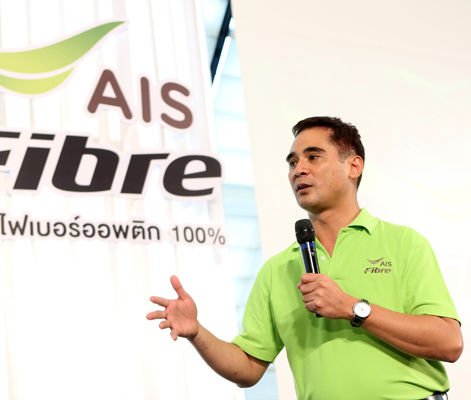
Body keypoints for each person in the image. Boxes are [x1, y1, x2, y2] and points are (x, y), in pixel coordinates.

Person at [146, 117, 463, 400]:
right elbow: (248, 367)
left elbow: (449, 343)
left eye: (313, 157)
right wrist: (197, 332)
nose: (298, 169)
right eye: (292, 162)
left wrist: (352, 308)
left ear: (353, 166)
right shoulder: (277, 269)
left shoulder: (404, 243)